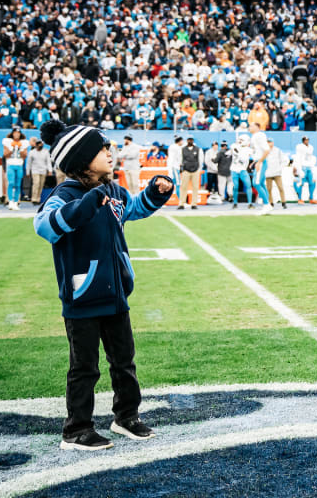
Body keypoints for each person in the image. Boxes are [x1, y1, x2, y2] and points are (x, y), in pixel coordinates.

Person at [33, 119, 175, 451]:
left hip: (116, 295)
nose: (110, 153)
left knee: (124, 361)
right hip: (82, 297)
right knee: (84, 367)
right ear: (82, 159)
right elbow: (44, 225)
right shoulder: (64, 194)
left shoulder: (112, 191)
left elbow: (133, 208)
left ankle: (126, 417)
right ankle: (77, 429)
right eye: (102, 148)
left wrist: (155, 192)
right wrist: (83, 206)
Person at [3, 128, 28, 210]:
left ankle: (16, 202)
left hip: (19, 165)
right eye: (15, 133)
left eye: (18, 133)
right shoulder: (7, 141)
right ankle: (10, 201)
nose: (16, 134)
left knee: (17, 185)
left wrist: (20, 148)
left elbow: (24, 156)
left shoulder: (24, 142)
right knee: (11, 183)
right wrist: (12, 148)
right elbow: (6, 155)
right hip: (10, 164)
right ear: (12, 133)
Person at [249, 123, 273, 212]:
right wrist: (254, 162)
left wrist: (259, 162)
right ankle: (268, 204)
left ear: (256, 127)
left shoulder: (259, 135)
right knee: (261, 183)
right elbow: (258, 151)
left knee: (256, 183)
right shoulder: (255, 136)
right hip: (259, 161)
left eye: (251, 126)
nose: (249, 128)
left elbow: (267, 150)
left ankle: (266, 204)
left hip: (261, 162)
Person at [229, 135, 254, 208]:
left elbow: (254, 155)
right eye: (239, 139)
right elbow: (233, 149)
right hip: (234, 169)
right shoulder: (234, 146)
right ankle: (235, 203)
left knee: (248, 185)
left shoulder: (248, 149)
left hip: (243, 169)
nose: (240, 141)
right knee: (236, 186)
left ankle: (250, 203)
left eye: (241, 140)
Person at [178, 136, 201, 210]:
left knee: (195, 187)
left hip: (195, 170)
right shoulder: (183, 149)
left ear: (193, 140)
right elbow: (180, 159)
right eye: (189, 140)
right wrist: (182, 169)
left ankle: (194, 203)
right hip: (186, 170)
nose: (190, 141)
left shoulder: (197, 149)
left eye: (191, 140)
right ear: (187, 140)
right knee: (184, 187)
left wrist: (198, 169)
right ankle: (182, 203)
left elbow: (200, 159)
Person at [294, 136, 317, 204]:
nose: (307, 141)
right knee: (301, 183)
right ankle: (299, 199)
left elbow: (310, 157)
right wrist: (299, 169)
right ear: (303, 141)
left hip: (309, 166)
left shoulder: (310, 147)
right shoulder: (299, 147)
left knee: (312, 182)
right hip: (302, 166)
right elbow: (298, 158)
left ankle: (311, 198)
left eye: (308, 140)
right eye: (305, 140)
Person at [29, 138, 52, 206]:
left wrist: (49, 170)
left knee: (41, 185)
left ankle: (38, 199)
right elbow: (29, 163)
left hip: (43, 171)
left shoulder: (46, 151)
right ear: (36, 145)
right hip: (35, 170)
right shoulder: (32, 152)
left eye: (41, 144)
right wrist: (28, 171)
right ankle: (34, 199)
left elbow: (48, 161)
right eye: (39, 144)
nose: (40, 145)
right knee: (36, 183)